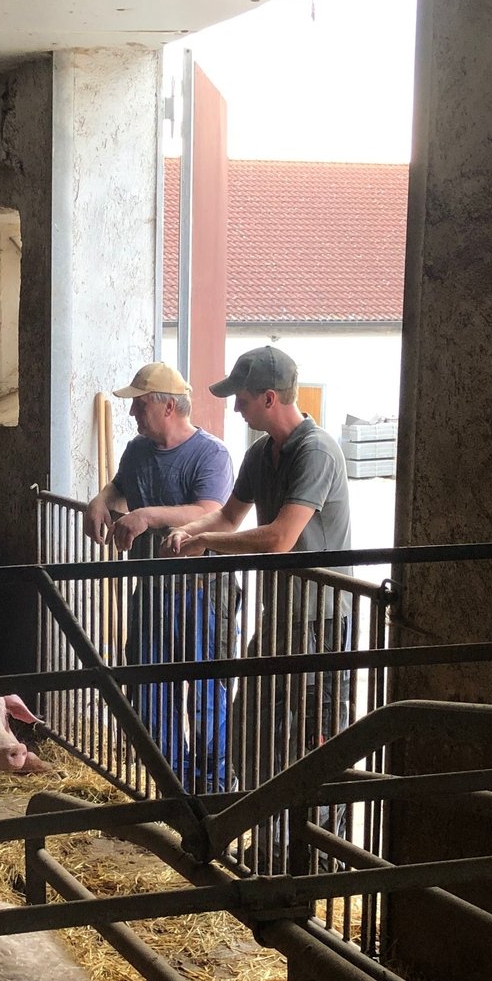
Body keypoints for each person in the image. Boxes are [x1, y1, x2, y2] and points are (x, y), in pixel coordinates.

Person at [165, 346, 355, 849]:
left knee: (319, 743)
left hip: (321, 622)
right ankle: (269, 843)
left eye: (242, 400)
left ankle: (317, 857)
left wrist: (205, 541)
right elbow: (228, 517)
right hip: (282, 615)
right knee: (251, 729)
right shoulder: (258, 454)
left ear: (270, 398)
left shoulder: (315, 451)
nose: (236, 410)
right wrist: (189, 531)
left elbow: (278, 538)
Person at [83, 362, 235, 793]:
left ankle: (214, 789)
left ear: (168, 406)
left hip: (201, 591)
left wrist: (147, 515)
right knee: (150, 692)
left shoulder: (211, 454)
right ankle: (170, 786)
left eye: (139, 404)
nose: (132, 414)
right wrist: (100, 499)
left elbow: (210, 511)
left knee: (206, 695)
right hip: (152, 589)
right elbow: (119, 487)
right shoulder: (137, 451)